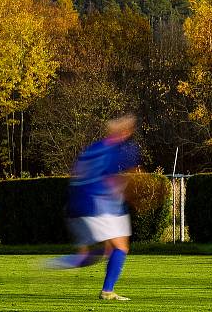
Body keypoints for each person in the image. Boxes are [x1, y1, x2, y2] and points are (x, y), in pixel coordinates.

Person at [47, 114, 140, 301]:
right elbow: (112, 179)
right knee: (120, 247)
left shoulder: (92, 148)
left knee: (105, 251)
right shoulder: (115, 150)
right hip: (101, 203)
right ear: (123, 131)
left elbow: (78, 175)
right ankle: (106, 290)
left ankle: (104, 287)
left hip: (81, 203)